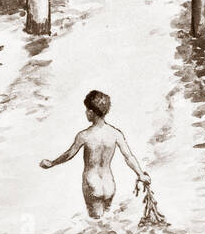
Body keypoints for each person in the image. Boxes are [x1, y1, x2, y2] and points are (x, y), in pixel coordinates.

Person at [40, 90, 150, 218]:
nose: (86, 113)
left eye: (87, 110)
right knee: (107, 221)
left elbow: (69, 154)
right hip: (109, 185)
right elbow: (128, 156)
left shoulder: (84, 135)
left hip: (92, 184)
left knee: (96, 223)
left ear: (91, 112)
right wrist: (140, 174)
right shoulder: (115, 133)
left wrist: (52, 163)